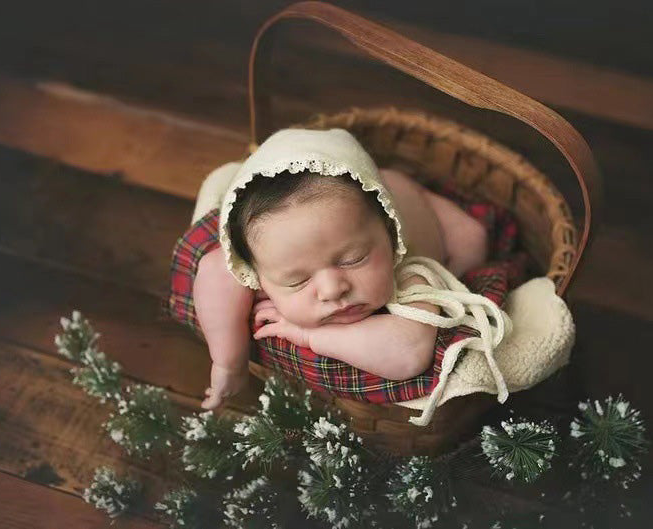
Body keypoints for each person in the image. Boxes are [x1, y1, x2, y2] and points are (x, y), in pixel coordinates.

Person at [180, 129, 491, 410]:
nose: (332, 289)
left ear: (388, 235)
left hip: (416, 200)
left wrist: (307, 335)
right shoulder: (269, 257)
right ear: (255, 275)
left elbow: (409, 352)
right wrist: (228, 363)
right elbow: (215, 270)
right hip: (364, 192)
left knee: (472, 238)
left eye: (353, 259)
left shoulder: (409, 272)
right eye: (297, 280)